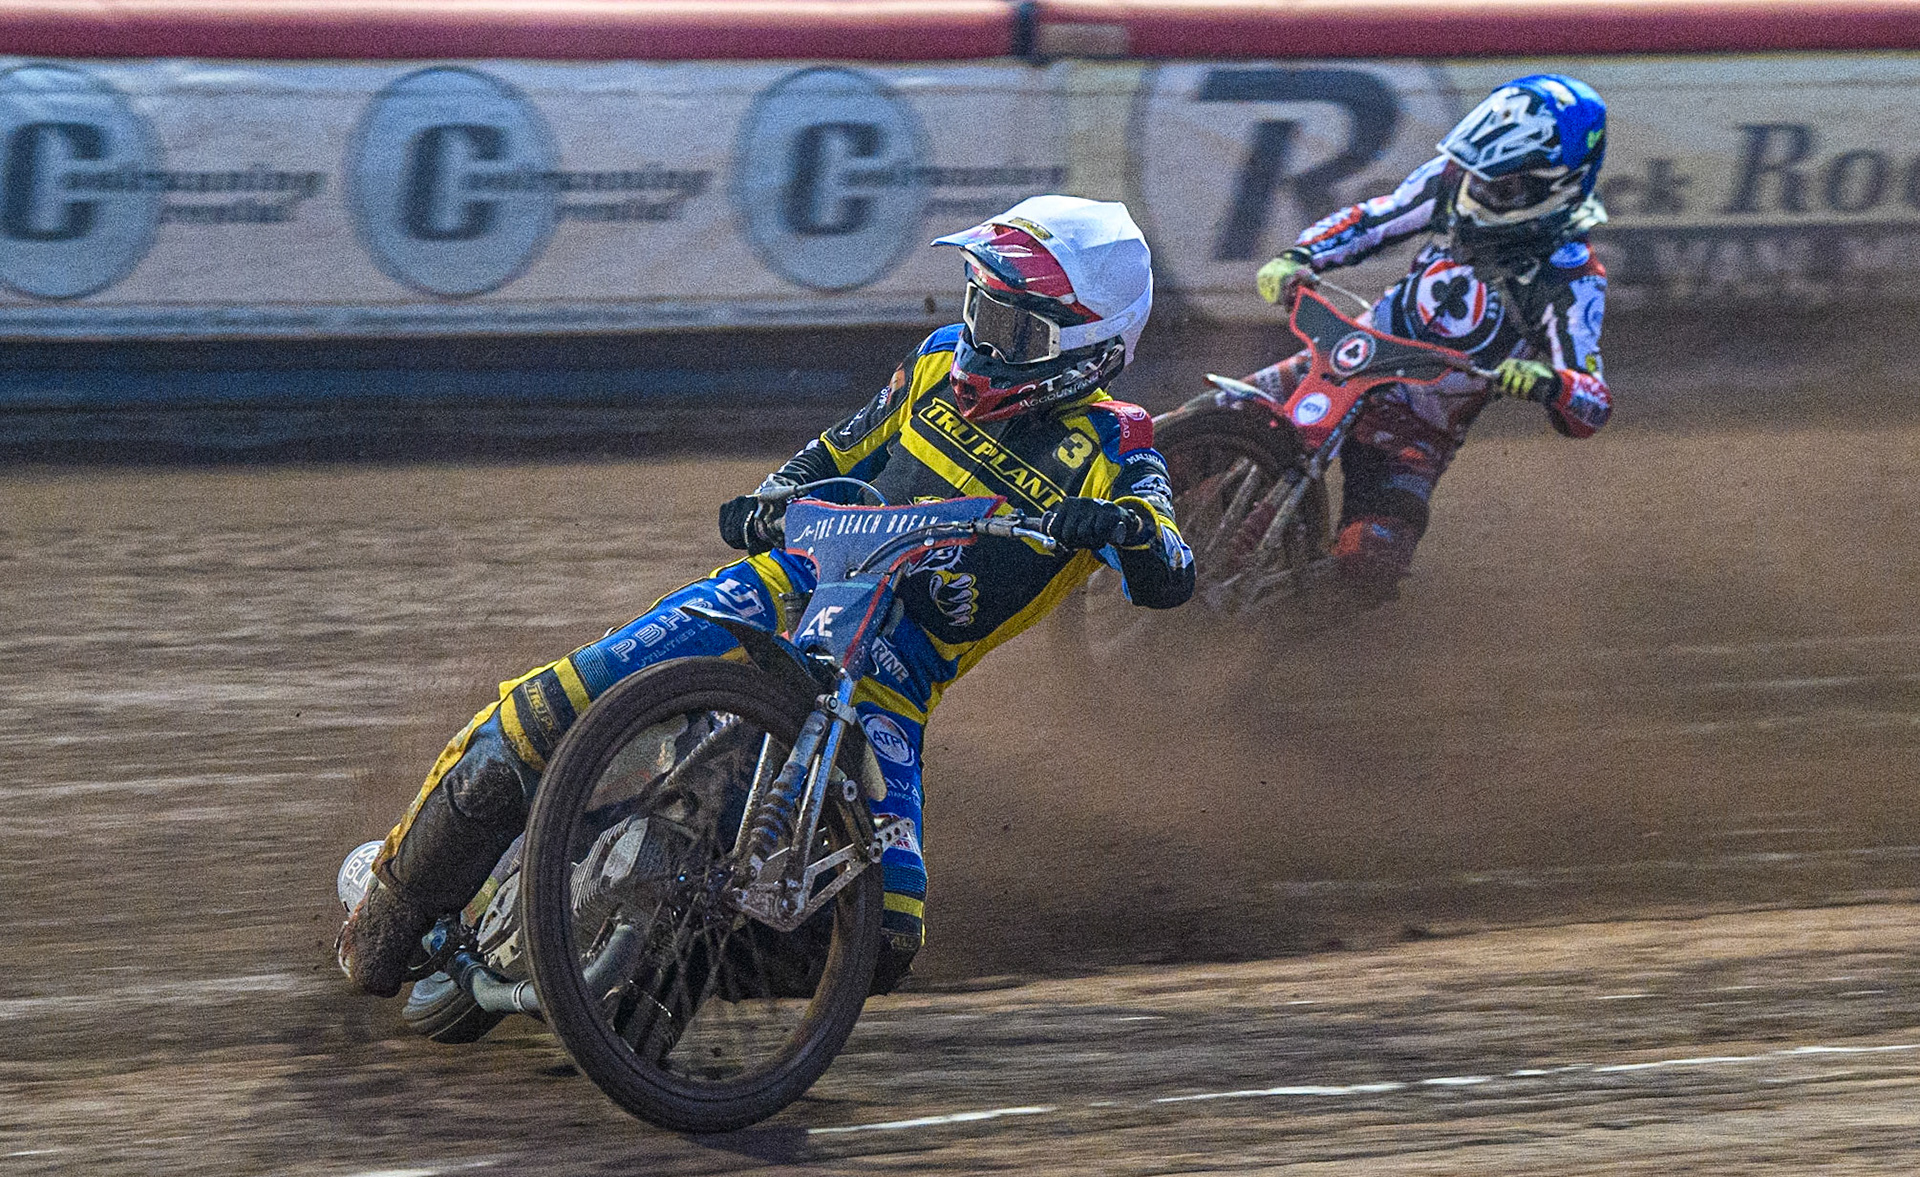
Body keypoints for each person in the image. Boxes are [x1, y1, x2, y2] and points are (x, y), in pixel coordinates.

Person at [338, 194, 1195, 999]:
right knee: (546, 707)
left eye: (1008, 322)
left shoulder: (1117, 449)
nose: (980, 335)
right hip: (784, 587)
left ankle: (646, 990)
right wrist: (767, 502)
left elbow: (1172, 568)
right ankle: (384, 917)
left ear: (1086, 344)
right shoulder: (937, 364)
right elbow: (833, 454)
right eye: (978, 305)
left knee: (882, 945)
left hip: (892, 683)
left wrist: (1122, 530)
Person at [1252, 74, 1614, 602]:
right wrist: (1301, 256)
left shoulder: (1572, 278)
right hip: (1345, 361)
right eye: (1478, 174)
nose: (1480, 191)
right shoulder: (1452, 181)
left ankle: (1282, 635)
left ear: (1554, 185)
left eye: (1503, 184)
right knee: (1198, 424)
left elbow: (1594, 400)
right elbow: (1372, 220)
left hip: (1416, 431)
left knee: (1367, 565)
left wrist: (1548, 383)